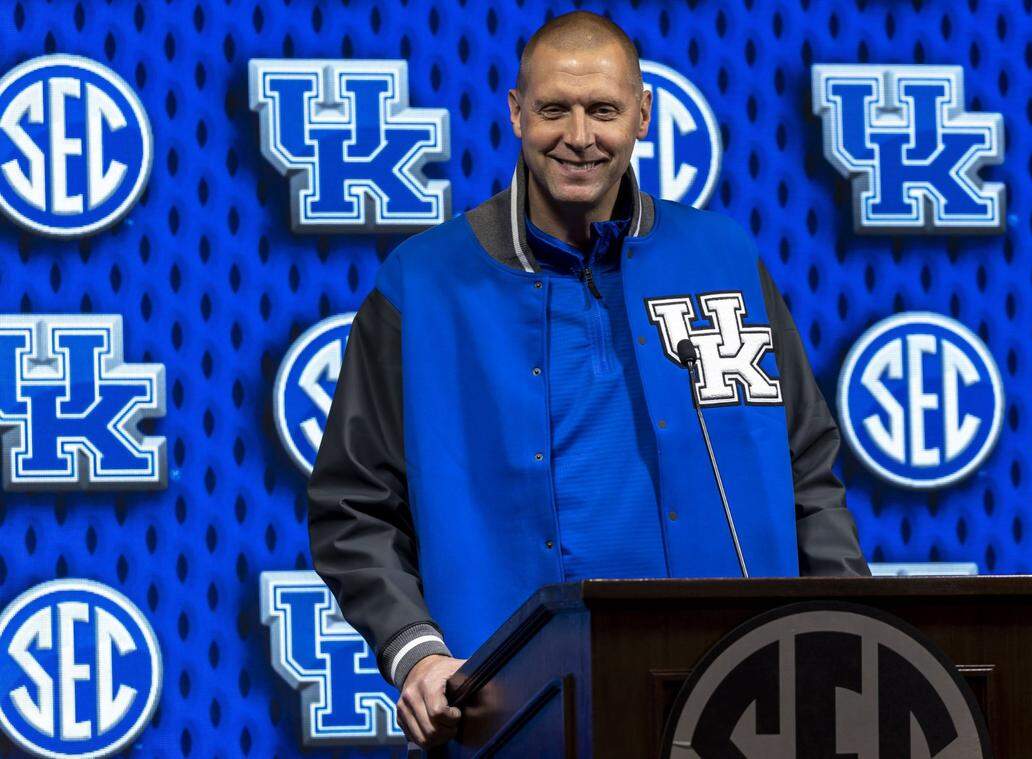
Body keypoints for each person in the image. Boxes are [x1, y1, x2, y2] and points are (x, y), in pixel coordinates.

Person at [307, 10, 869, 749]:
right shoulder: (423, 283)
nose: (579, 135)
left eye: (603, 109)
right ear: (515, 114)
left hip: (738, 700)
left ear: (643, 115)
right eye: (553, 109)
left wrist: (858, 638)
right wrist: (415, 647)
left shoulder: (722, 257)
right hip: (513, 712)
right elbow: (353, 505)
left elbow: (807, 475)